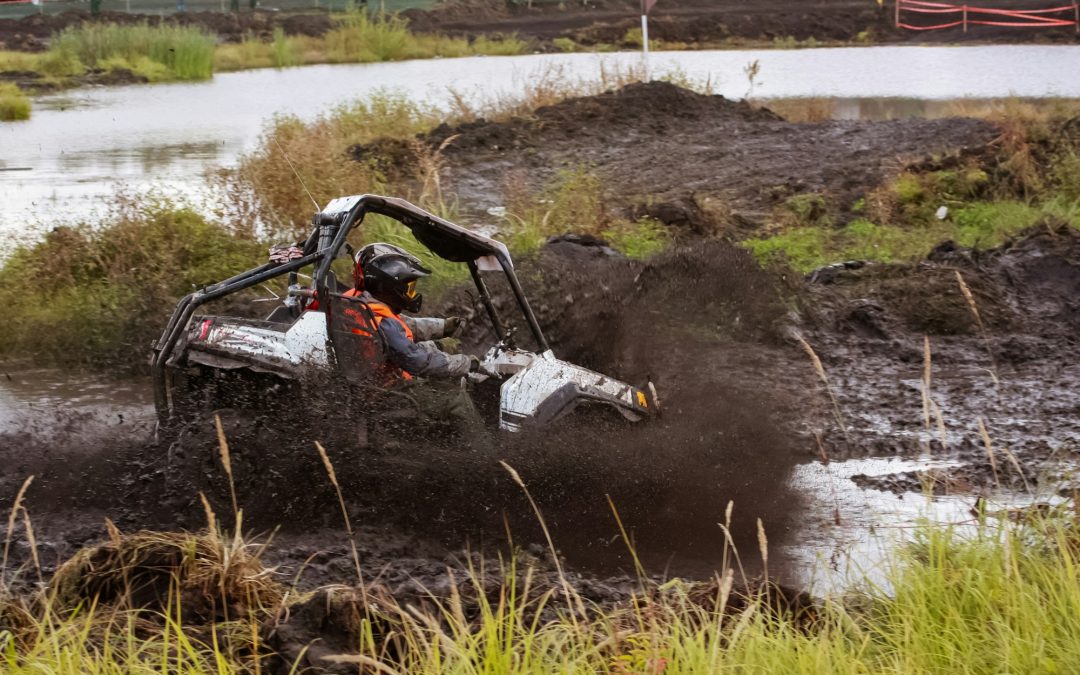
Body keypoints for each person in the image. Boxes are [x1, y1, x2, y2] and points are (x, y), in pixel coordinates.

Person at [341, 242, 480, 384]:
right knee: (453, 396)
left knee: (445, 346)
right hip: (389, 389)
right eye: (409, 289)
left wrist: (442, 327)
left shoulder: (359, 303)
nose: (412, 295)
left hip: (374, 370)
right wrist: (467, 364)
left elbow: (404, 324)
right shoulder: (384, 324)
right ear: (391, 287)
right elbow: (417, 361)